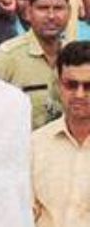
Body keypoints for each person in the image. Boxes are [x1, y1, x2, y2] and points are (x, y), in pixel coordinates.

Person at [0, 0, 68, 129]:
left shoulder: (72, 55)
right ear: (28, 12)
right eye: (43, 8)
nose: (51, 16)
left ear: (69, 11)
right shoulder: (6, 58)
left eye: (58, 8)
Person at [31, 41, 90, 227]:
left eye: (89, 86)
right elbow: (23, 213)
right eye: (71, 85)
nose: (79, 95)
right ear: (59, 84)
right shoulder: (34, 145)